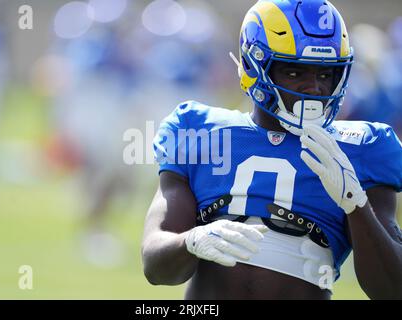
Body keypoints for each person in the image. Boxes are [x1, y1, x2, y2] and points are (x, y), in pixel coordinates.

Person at [141, 0, 402, 300]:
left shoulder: (363, 149)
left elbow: (393, 289)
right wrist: (192, 241)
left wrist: (356, 205)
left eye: (325, 74)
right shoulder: (198, 130)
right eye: (294, 72)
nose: (314, 88)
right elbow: (155, 266)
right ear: (254, 65)